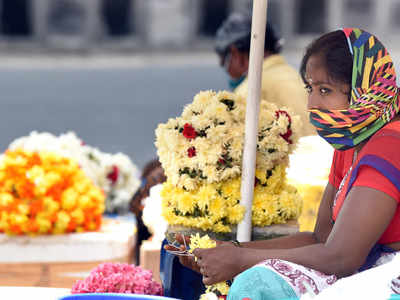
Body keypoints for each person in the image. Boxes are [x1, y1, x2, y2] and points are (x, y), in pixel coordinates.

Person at [166, 28, 400, 299]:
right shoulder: (351, 141)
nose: (312, 103)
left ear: (366, 93)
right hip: (364, 270)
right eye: (310, 88)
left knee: (259, 285)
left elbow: (341, 257)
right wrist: (232, 249)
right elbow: (319, 238)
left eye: (325, 90)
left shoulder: (388, 145)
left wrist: (240, 261)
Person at [215, 12, 314, 136]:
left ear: (235, 54)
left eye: (224, 61)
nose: (226, 69)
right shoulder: (296, 75)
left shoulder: (251, 89)